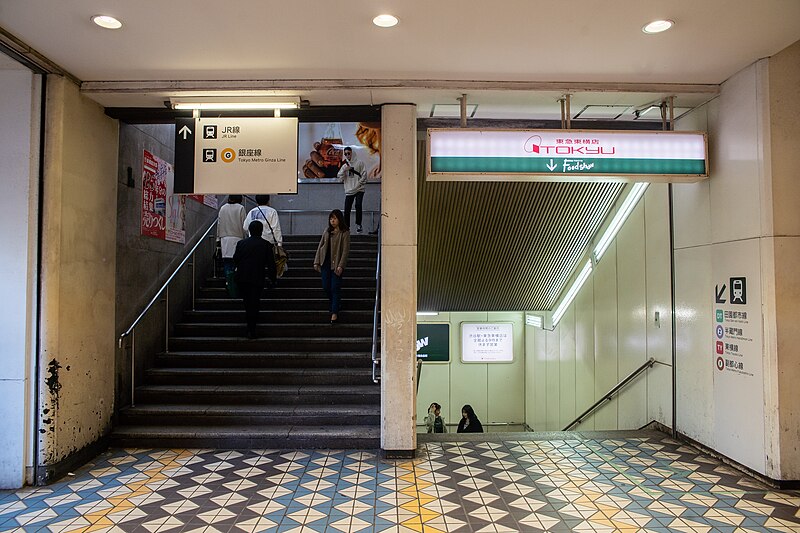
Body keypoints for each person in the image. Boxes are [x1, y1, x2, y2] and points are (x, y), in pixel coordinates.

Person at [233, 221, 277, 339]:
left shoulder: (241, 243)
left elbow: (235, 259)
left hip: (242, 277)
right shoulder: (266, 244)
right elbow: (271, 264)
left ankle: (249, 325)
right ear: (261, 230)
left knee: (247, 302)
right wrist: (273, 278)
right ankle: (252, 328)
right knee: (254, 302)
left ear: (250, 230)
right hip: (257, 277)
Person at [313, 209, 350, 324]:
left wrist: (341, 265)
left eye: (334, 218)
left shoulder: (345, 232)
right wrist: (316, 261)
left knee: (335, 287)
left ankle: (334, 313)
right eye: (331, 218)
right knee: (326, 286)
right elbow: (321, 246)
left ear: (339, 219)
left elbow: (345, 250)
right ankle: (336, 303)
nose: (332, 221)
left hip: (336, 264)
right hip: (325, 263)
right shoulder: (327, 231)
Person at [216, 195, 246, 295]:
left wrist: (218, 239)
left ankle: (229, 284)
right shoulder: (241, 208)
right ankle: (236, 286)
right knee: (238, 264)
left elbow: (219, 224)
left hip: (225, 239)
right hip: (238, 238)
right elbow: (244, 225)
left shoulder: (223, 208)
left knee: (227, 264)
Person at [339, 146, 368, 233]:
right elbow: (340, 178)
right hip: (349, 190)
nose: (347, 155)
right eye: (346, 154)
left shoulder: (360, 163)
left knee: (358, 205)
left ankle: (359, 224)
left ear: (352, 153)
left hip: (359, 189)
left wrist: (359, 184)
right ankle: (346, 227)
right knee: (347, 208)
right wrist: (344, 171)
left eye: (349, 153)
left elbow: (364, 175)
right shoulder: (344, 166)